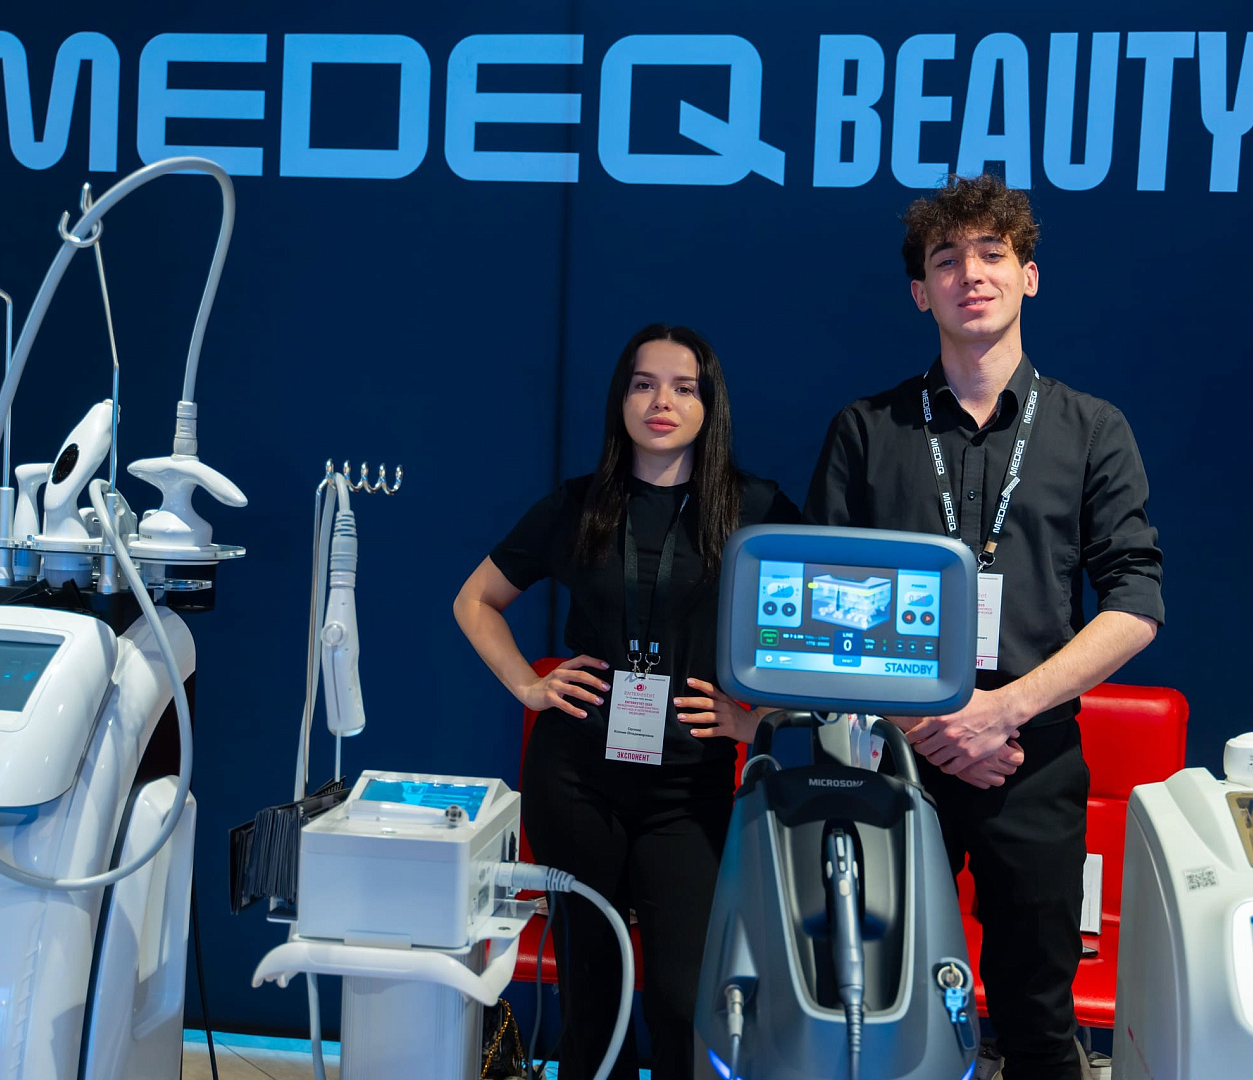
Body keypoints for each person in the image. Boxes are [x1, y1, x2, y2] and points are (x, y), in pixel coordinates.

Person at [804, 173, 1164, 1079]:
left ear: (1028, 277)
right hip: (888, 757)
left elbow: (1136, 604)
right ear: (919, 292)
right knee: (866, 1008)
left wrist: (1000, 712)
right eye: (947, 259)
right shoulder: (865, 431)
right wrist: (926, 721)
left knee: (1039, 1022)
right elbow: (821, 608)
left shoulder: (1092, 430)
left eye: (992, 254)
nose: (972, 274)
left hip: (1030, 758)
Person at [454, 323, 799, 1079]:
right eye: (644, 384)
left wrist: (757, 720)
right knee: (593, 998)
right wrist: (529, 684)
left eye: (683, 387)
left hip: (688, 785)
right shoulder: (579, 504)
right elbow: (475, 600)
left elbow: (819, 642)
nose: (661, 402)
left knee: (682, 994)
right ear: (621, 399)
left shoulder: (756, 508)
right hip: (577, 780)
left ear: (710, 404)